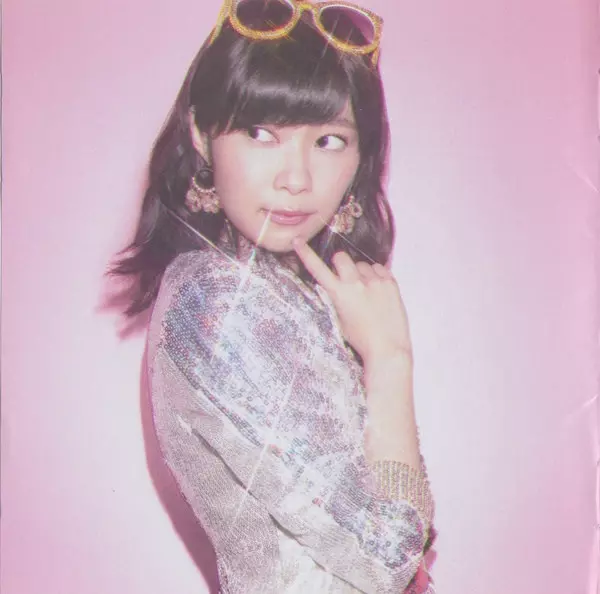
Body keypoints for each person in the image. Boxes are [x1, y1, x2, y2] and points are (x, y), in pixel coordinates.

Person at [112, 0, 436, 591]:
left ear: (361, 156)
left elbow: (404, 526)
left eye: (329, 141)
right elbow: (388, 554)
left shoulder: (288, 297)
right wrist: (391, 360)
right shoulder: (217, 303)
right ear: (201, 135)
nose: (297, 178)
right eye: (262, 133)